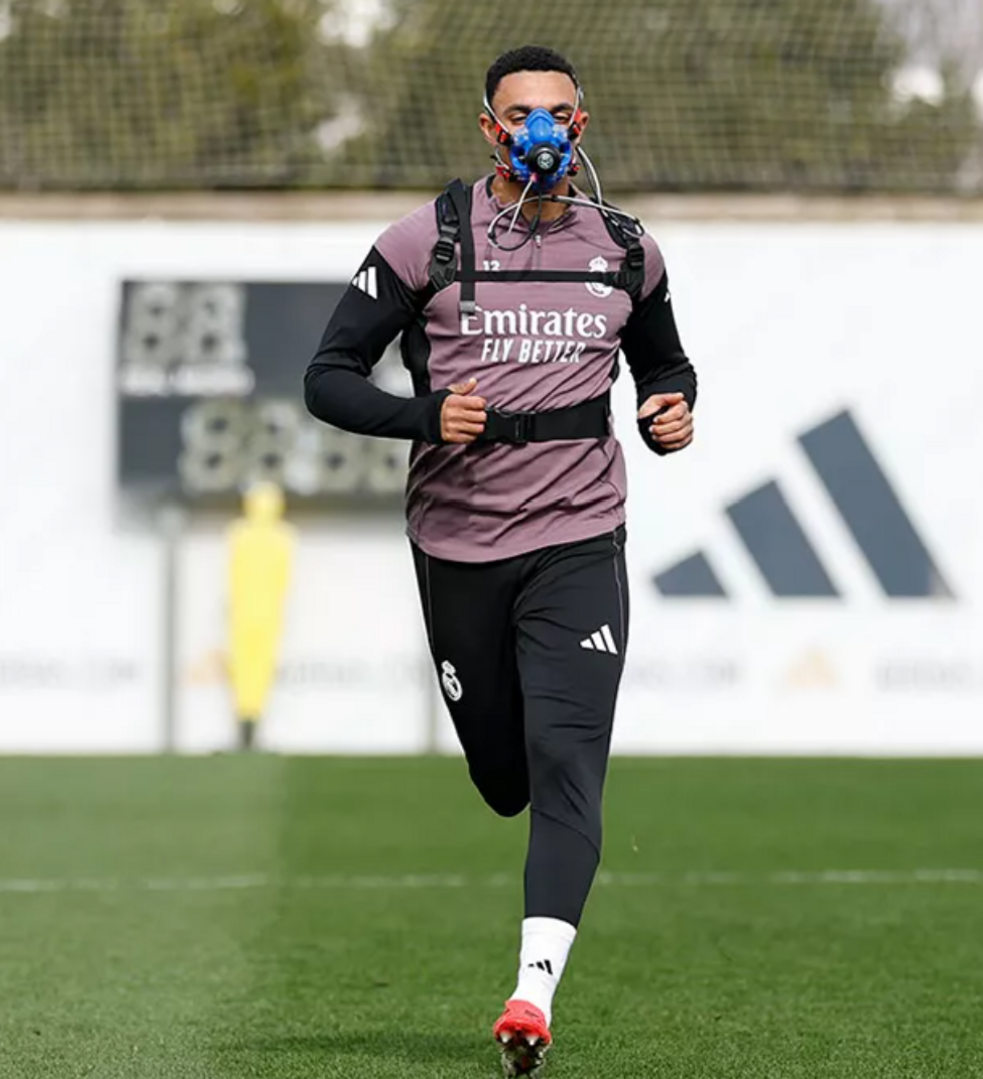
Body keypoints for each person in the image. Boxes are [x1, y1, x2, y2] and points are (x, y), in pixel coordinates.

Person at [302, 44, 697, 1076]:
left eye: (559, 113)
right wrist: (423, 414)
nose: (542, 132)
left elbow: (664, 360)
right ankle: (501, 761)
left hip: (580, 537)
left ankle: (531, 993)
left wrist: (670, 410)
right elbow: (326, 377)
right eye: (522, 114)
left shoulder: (626, 248)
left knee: (571, 761)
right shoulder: (425, 240)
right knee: (503, 773)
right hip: (458, 544)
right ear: (490, 128)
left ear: (583, 122)